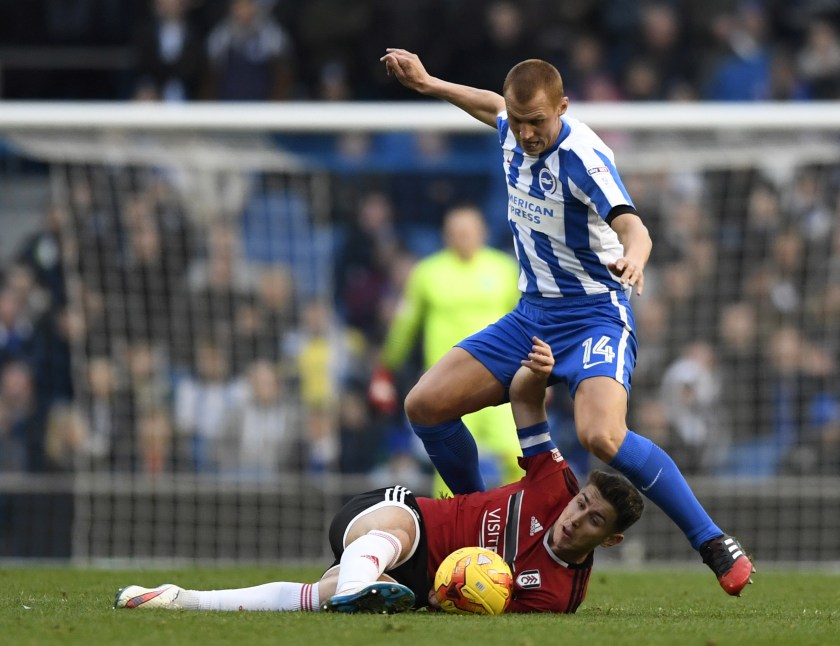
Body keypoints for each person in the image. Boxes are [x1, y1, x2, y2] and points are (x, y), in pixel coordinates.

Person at [378, 48, 753, 595]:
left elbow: (635, 226)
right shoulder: (511, 123)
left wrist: (636, 259)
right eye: (520, 120)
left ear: (563, 109)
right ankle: (480, 541)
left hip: (594, 314)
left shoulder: (585, 156)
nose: (527, 133)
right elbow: (492, 108)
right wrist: (431, 82)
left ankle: (712, 541)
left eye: (537, 122)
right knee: (425, 406)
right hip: (532, 315)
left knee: (601, 434)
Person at [114, 338, 644, 614]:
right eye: (582, 504)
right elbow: (525, 398)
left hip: (413, 586)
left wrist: (450, 601)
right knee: (397, 530)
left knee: (310, 598)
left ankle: (181, 598)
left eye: (593, 519)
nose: (576, 517)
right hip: (399, 515)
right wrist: (539, 370)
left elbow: (492, 608)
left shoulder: (559, 597)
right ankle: (358, 582)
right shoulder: (555, 484)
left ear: (611, 539)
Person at [371, 204, 522, 495]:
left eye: (469, 231)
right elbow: (405, 324)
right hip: (449, 385)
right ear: (446, 236)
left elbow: (526, 323)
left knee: (520, 455)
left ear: (483, 232)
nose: (463, 237)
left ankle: (509, 522)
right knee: (452, 467)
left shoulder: (504, 270)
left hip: (499, 382)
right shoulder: (428, 273)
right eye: (456, 232)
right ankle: (452, 535)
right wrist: (386, 365)